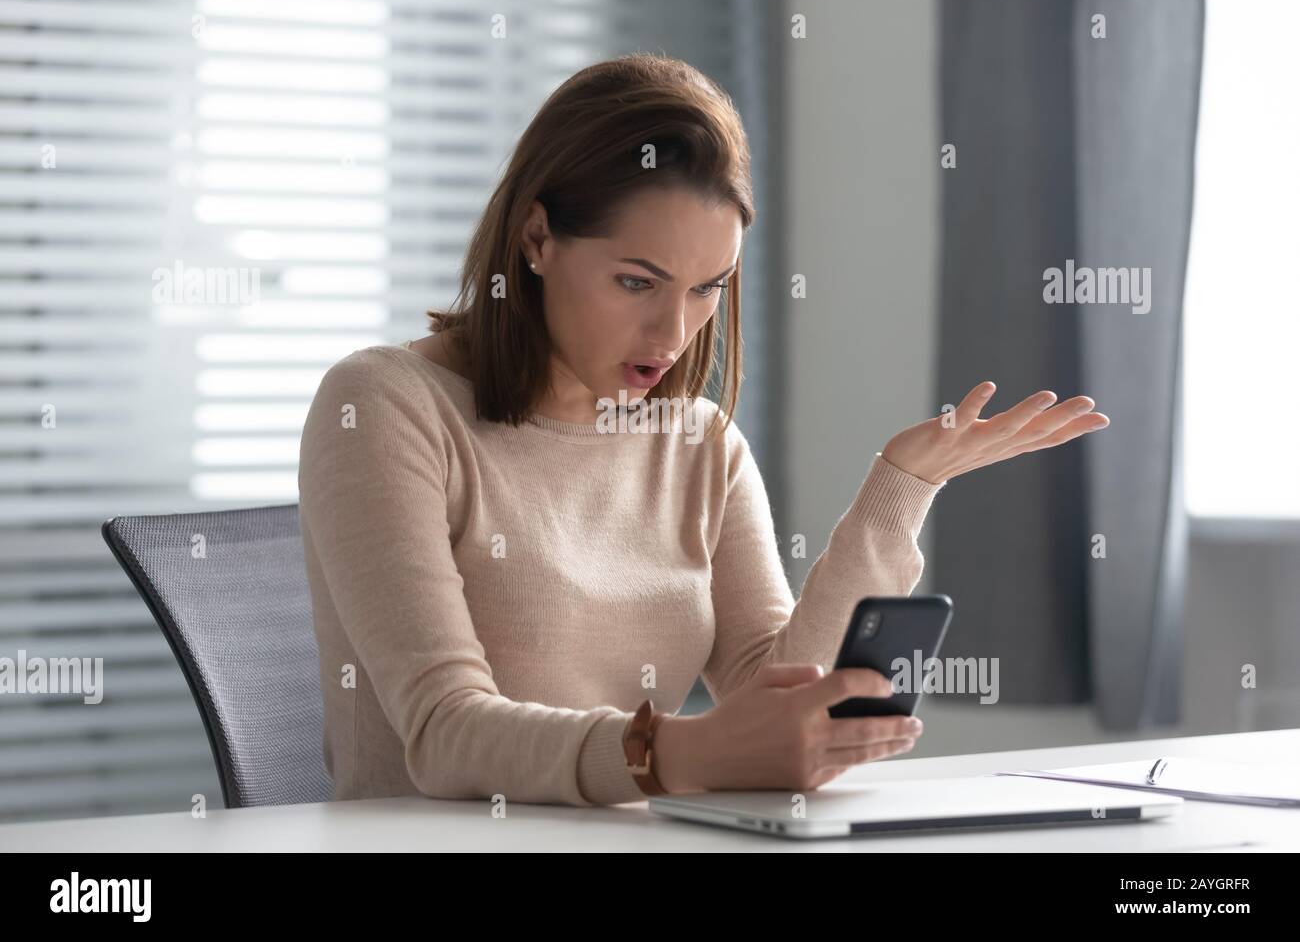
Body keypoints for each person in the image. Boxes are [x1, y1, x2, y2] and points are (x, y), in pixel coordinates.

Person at [297, 53, 1108, 807]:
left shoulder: (700, 444)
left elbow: (768, 699)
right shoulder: (384, 407)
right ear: (536, 240)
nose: (673, 332)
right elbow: (444, 734)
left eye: (705, 288)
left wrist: (896, 496)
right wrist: (668, 757)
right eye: (636, 282)